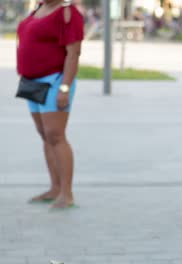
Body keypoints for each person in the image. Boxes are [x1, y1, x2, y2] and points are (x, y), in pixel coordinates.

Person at [16, 0, 84, 209]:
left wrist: (64, 88)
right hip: (32, 82)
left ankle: (67, 194)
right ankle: (55, 188)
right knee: (46, 135)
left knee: (55, 135)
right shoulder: (39, 7)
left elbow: (73, 53)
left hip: (54, 82)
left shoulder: (67, 13)